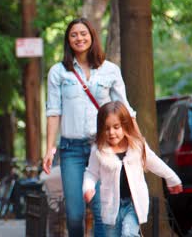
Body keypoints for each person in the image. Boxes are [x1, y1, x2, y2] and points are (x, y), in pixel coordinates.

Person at [42, 18, 138, 237]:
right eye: (74, 34)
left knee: (101, 211)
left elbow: (126, 110)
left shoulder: (110, 70)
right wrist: (49, 148)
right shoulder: (58, 72)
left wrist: (138, 144)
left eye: (83, 33)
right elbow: (53, 111)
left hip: (103, 148)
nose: (79, 38)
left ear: (92, 36)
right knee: (74, 213)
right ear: (68, 40)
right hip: (71, 150)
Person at [83, 101, 182, 236]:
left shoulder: (137, 146)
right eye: (107, 128)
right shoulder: (99, 150)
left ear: (125, 125)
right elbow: (91, 173)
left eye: (116, 127)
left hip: (133, 204)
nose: (111, 132)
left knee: (129, 233)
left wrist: (172, 178)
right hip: (111, 207)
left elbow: (154, 162)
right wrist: (88, 187)